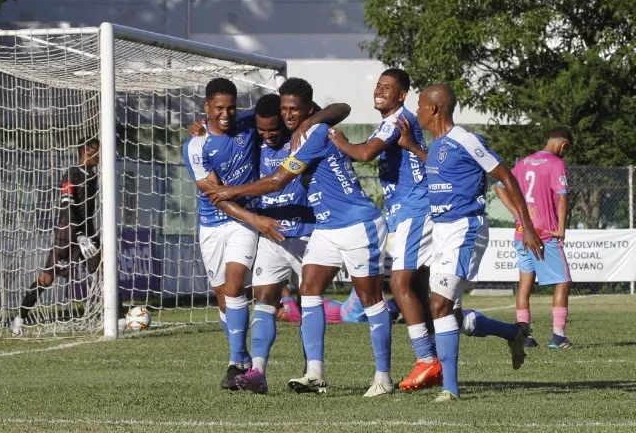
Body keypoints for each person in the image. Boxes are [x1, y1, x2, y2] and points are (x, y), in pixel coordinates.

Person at [207, 78, 394, 397]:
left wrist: (231, 191)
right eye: (285, 109)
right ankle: (312, 375)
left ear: (308, 109)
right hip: (326, 228)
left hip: (355, 222)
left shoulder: (312, 134)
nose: (288, 115)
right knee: (308, 289)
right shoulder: (278, 133)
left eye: (295, 110)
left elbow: (279, 179)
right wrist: (203, 125)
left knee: (370, 299)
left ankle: (384, 379)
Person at [183, 79, 352, 392]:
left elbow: (342, 108)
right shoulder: (239, 133)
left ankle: (314, 371)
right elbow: (215, 186)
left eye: (274, 128)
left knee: (309, 295)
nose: (267, 135)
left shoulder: (297, 132)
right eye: (262, 131)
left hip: (298, 230)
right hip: (259, 228)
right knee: (254, 297)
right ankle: (253, 371)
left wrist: (310, 121)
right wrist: (202, 125)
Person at [397, 84, 543, 402]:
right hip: (442, 232)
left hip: (466, 229)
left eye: (421, 105)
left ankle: (450, 389)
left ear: (434, 108)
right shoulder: (437, 145)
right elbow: (441, 170)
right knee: (453, 316)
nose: (417, 110)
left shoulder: (466, 139)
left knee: (439, 306)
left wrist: (526, 224)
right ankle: (513, 334)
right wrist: (411, 147)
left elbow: (506, 176)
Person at [328, 68, 442, 391]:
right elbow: (370, 145)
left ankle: (426, 360)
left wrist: (340, 141)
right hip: (407, 211)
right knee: (418, 287)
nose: (379, 90)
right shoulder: (390, 122)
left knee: (398, 281)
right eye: (378, 85)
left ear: (402, 94)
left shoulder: (397, 121)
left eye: (387, 87)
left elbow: (365, 153)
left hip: (415, 209)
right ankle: (436, 362)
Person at [10, 138, 103, 336]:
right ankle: (19, 318)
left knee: (104, 268)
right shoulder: (71, 173)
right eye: (97, 152)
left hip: (88, 230)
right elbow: (66, 205)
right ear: (85, 152)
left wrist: (86, 233)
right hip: (68, 232)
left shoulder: (93, 175)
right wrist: (77, 234)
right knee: (47, 278)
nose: (100, 156)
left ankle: (118, 318)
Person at [494, 126, 573, 349]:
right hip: (545, 234)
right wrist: (561, 229)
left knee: (524, 285)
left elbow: (499, 187)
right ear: (564, 145)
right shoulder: (556, 164)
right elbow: (562, 198)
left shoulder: (525, 162)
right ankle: (558, 336)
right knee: (563, 282)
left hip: (522, 233)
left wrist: (517, 214)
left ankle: (523, 335)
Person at [278, 285, 403, 325]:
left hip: (351, 312)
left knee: (396, 302)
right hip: (348, 314)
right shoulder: (295, 316)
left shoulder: (304, 305)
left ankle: (396, 308)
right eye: (279, 313)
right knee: (361, 281)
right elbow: (285, 292)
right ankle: (387, 310)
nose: (282, 313)